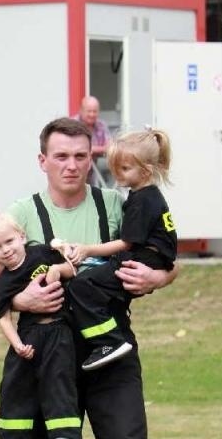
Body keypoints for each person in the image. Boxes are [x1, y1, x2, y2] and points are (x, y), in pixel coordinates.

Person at [0, 116, 178, 439]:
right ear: (43, 161)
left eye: (80, 156)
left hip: (111, 351)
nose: (72, 165)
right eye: (61, 156)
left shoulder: (119, 203)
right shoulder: (21, 214)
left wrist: (157, 280)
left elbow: (164, 261)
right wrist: (23, 302)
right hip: (46, 358)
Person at [50, 128, 180, 371]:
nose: (117, 174)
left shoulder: (141, 201)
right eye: (115, 167)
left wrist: (88, 250)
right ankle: (108, 340)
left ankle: (109, 341)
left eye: (125, 168)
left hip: (143, 259)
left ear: (146, 170)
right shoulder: (149, 196)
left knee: (82, 285)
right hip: (151, 258)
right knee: (96, 282)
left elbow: (127, 243)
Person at [0, 212, 83, 439]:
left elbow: (72, 268)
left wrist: (58, 269)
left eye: (9, 241)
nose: (6, 250)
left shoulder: (42, 254)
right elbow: (4, 318)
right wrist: (16, 344)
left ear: (22, 237)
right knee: (14, 385)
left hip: (58, 332)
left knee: (58, 381)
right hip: (28, 337)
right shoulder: (2, 284)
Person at [79, 95, 113, 187]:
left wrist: (93, 149)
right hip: (78, 171)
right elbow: (79, 148)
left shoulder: (101, 125)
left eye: (95, 111)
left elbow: (110, 146)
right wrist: (100, 149)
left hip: (97, 169)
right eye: (89, 111)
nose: (92, 114)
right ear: (81, 110)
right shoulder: (73, 124)